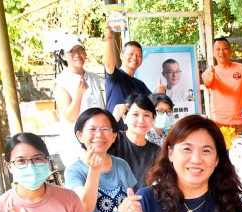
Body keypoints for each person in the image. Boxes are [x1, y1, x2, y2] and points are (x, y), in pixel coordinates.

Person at [65, 108, 137, 212]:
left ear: (113, 135)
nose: (99, 135)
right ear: (80, 135)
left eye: (105, 129)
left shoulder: (121, 164)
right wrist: (94, 170)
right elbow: (86, 207)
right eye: (92, 129)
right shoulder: (74, 171)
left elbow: (131, 199)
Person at [53, 35, 105, 168]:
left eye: (80, 50)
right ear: (63, 56)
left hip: (99, 140)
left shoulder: (93, 77)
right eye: (71, 51)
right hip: (75, 145)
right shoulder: (62, 82)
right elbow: (70, 117)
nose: (77, 54)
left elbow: (102, 108)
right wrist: (78, 94)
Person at [202, 37, 242, 134]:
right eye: (218, 49)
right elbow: (207, 83)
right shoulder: (209, 72)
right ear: (213, 52)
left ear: (230, 51)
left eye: (224, 48)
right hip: (219, 122)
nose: (221, 52)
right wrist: (211, 76)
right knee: (221, 149)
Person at [102, 24, 151, 130]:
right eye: (131, 54)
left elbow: (153, 102)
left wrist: (160, 92)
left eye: (139, 55)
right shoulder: (114, 76)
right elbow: (109, 64)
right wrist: (109, 40)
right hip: (114, 133)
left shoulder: (140, 85)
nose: (135, 57)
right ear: (121, 56)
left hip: (133, 136)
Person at [109, 94, 161, 189]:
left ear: (153, 120)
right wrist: (113, 119)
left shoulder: (156, 151)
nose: (141, 120)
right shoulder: (112, 140)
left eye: (146, 115)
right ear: (124, 118)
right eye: (135, 114)